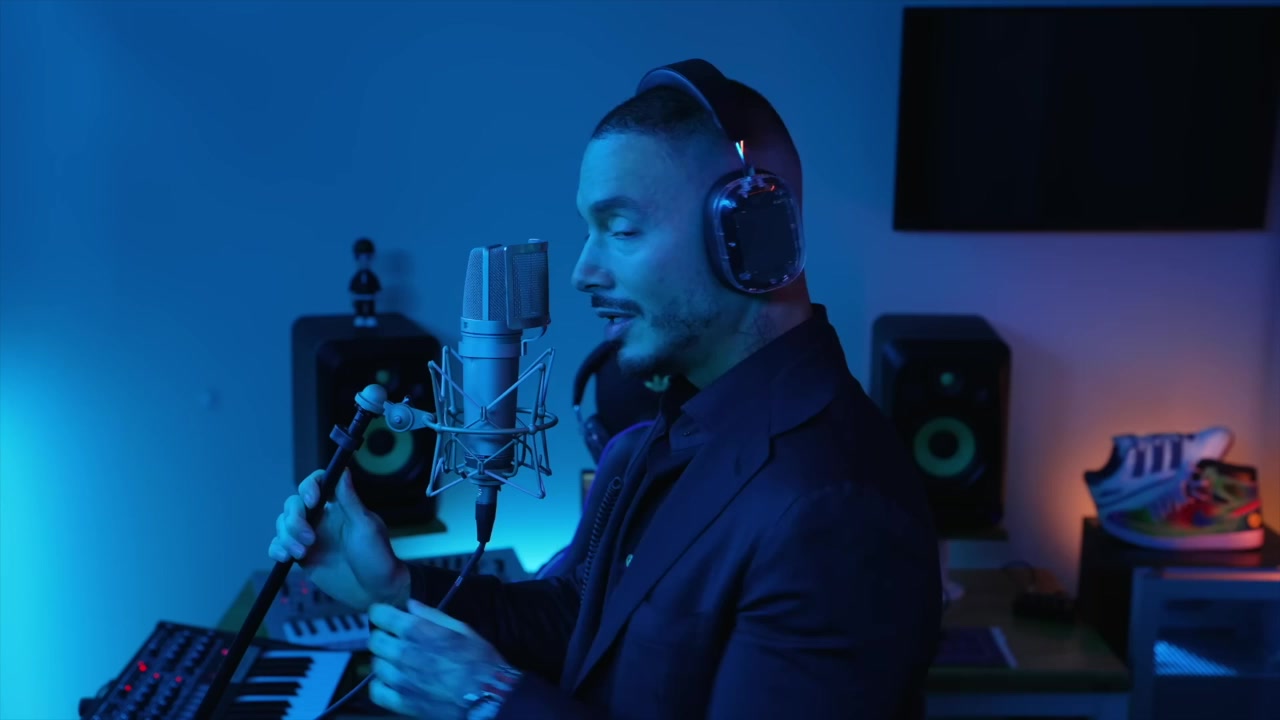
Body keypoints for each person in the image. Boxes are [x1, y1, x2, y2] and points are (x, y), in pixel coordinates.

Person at [270, 59, 942, 720]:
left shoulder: (836, 510)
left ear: (750, 232)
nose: (583, 272)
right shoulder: (673, 432)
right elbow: (581, 621)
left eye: (621, 230)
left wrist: (488, 698)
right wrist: (392, 586)